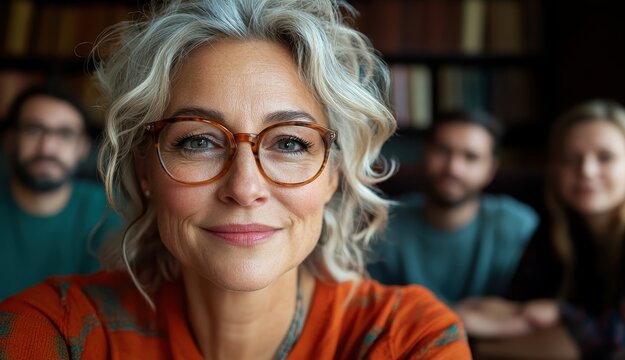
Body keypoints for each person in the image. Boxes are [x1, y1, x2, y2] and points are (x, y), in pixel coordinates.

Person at [0, 1, 471, 358]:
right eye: (198, 141)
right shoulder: (53, 331)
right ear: (144, 169)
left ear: (333, 174)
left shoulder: (410, 339)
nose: (245, 188)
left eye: (290, 143)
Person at [457, 100, 625, 358]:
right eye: (571, 159)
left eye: (605, 158)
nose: (586, 171)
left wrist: (560, 314)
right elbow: (519, 309)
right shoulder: (558, 228)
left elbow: (613, 340)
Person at [368, 110, 539, 304]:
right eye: (443, 151)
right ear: (425, 153)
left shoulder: (519, 226)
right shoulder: (382, 224)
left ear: (490, 170)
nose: (453, 168)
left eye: (471, 157)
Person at [0, 85, 122, 300]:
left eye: (65, 134)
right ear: (10, 139)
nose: (47, 148)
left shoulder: (110, 210)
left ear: (83, 147)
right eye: (33, 130)